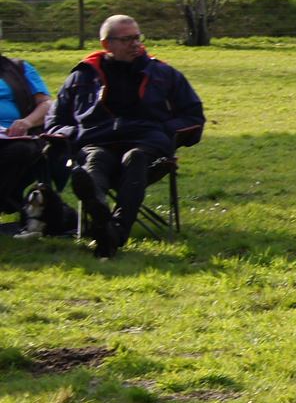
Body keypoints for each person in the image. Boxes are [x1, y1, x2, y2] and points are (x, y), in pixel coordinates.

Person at [47, 15, 204, 258]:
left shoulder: (164, 74)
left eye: (137, 38)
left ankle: (113, 230)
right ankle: (103, 216)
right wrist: (71, 135)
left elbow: (193, 116)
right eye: (126, 39)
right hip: (96, 142)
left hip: (147, 145)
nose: (135, 44)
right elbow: (55, 121)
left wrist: (165, 131)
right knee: (95, 159)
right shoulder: (81, 76)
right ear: (106, 44)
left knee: (135, 158)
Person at [0, 43, 53, 225]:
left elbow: (46, 104)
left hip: (15, 137)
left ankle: (7, 200)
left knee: (20, 150)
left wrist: (27, 122)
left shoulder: (19, 68)